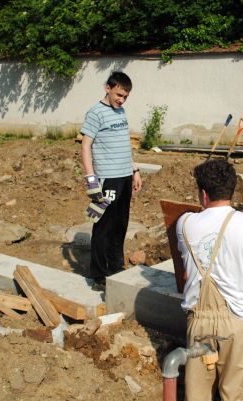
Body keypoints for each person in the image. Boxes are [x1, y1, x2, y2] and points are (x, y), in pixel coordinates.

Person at [176, 158, 243, 401]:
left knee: (197, 393)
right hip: (238, 321)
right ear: (232, 190)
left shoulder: (185, 223)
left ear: (203, 194)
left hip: (199, 320)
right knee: (233, 393)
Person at [80, 71, 142, 291]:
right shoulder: (95, 113)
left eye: (125, 96)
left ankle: (115, 268)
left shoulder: (121, 111)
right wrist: (90, 178)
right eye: (118, 95)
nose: (121, 100)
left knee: (120, 224)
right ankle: (98, 273)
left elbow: (124, 144)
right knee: (103, 225)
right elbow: (85, 145)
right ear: (108, 88)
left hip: (124, 177)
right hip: (106, 179)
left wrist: (135, 169)